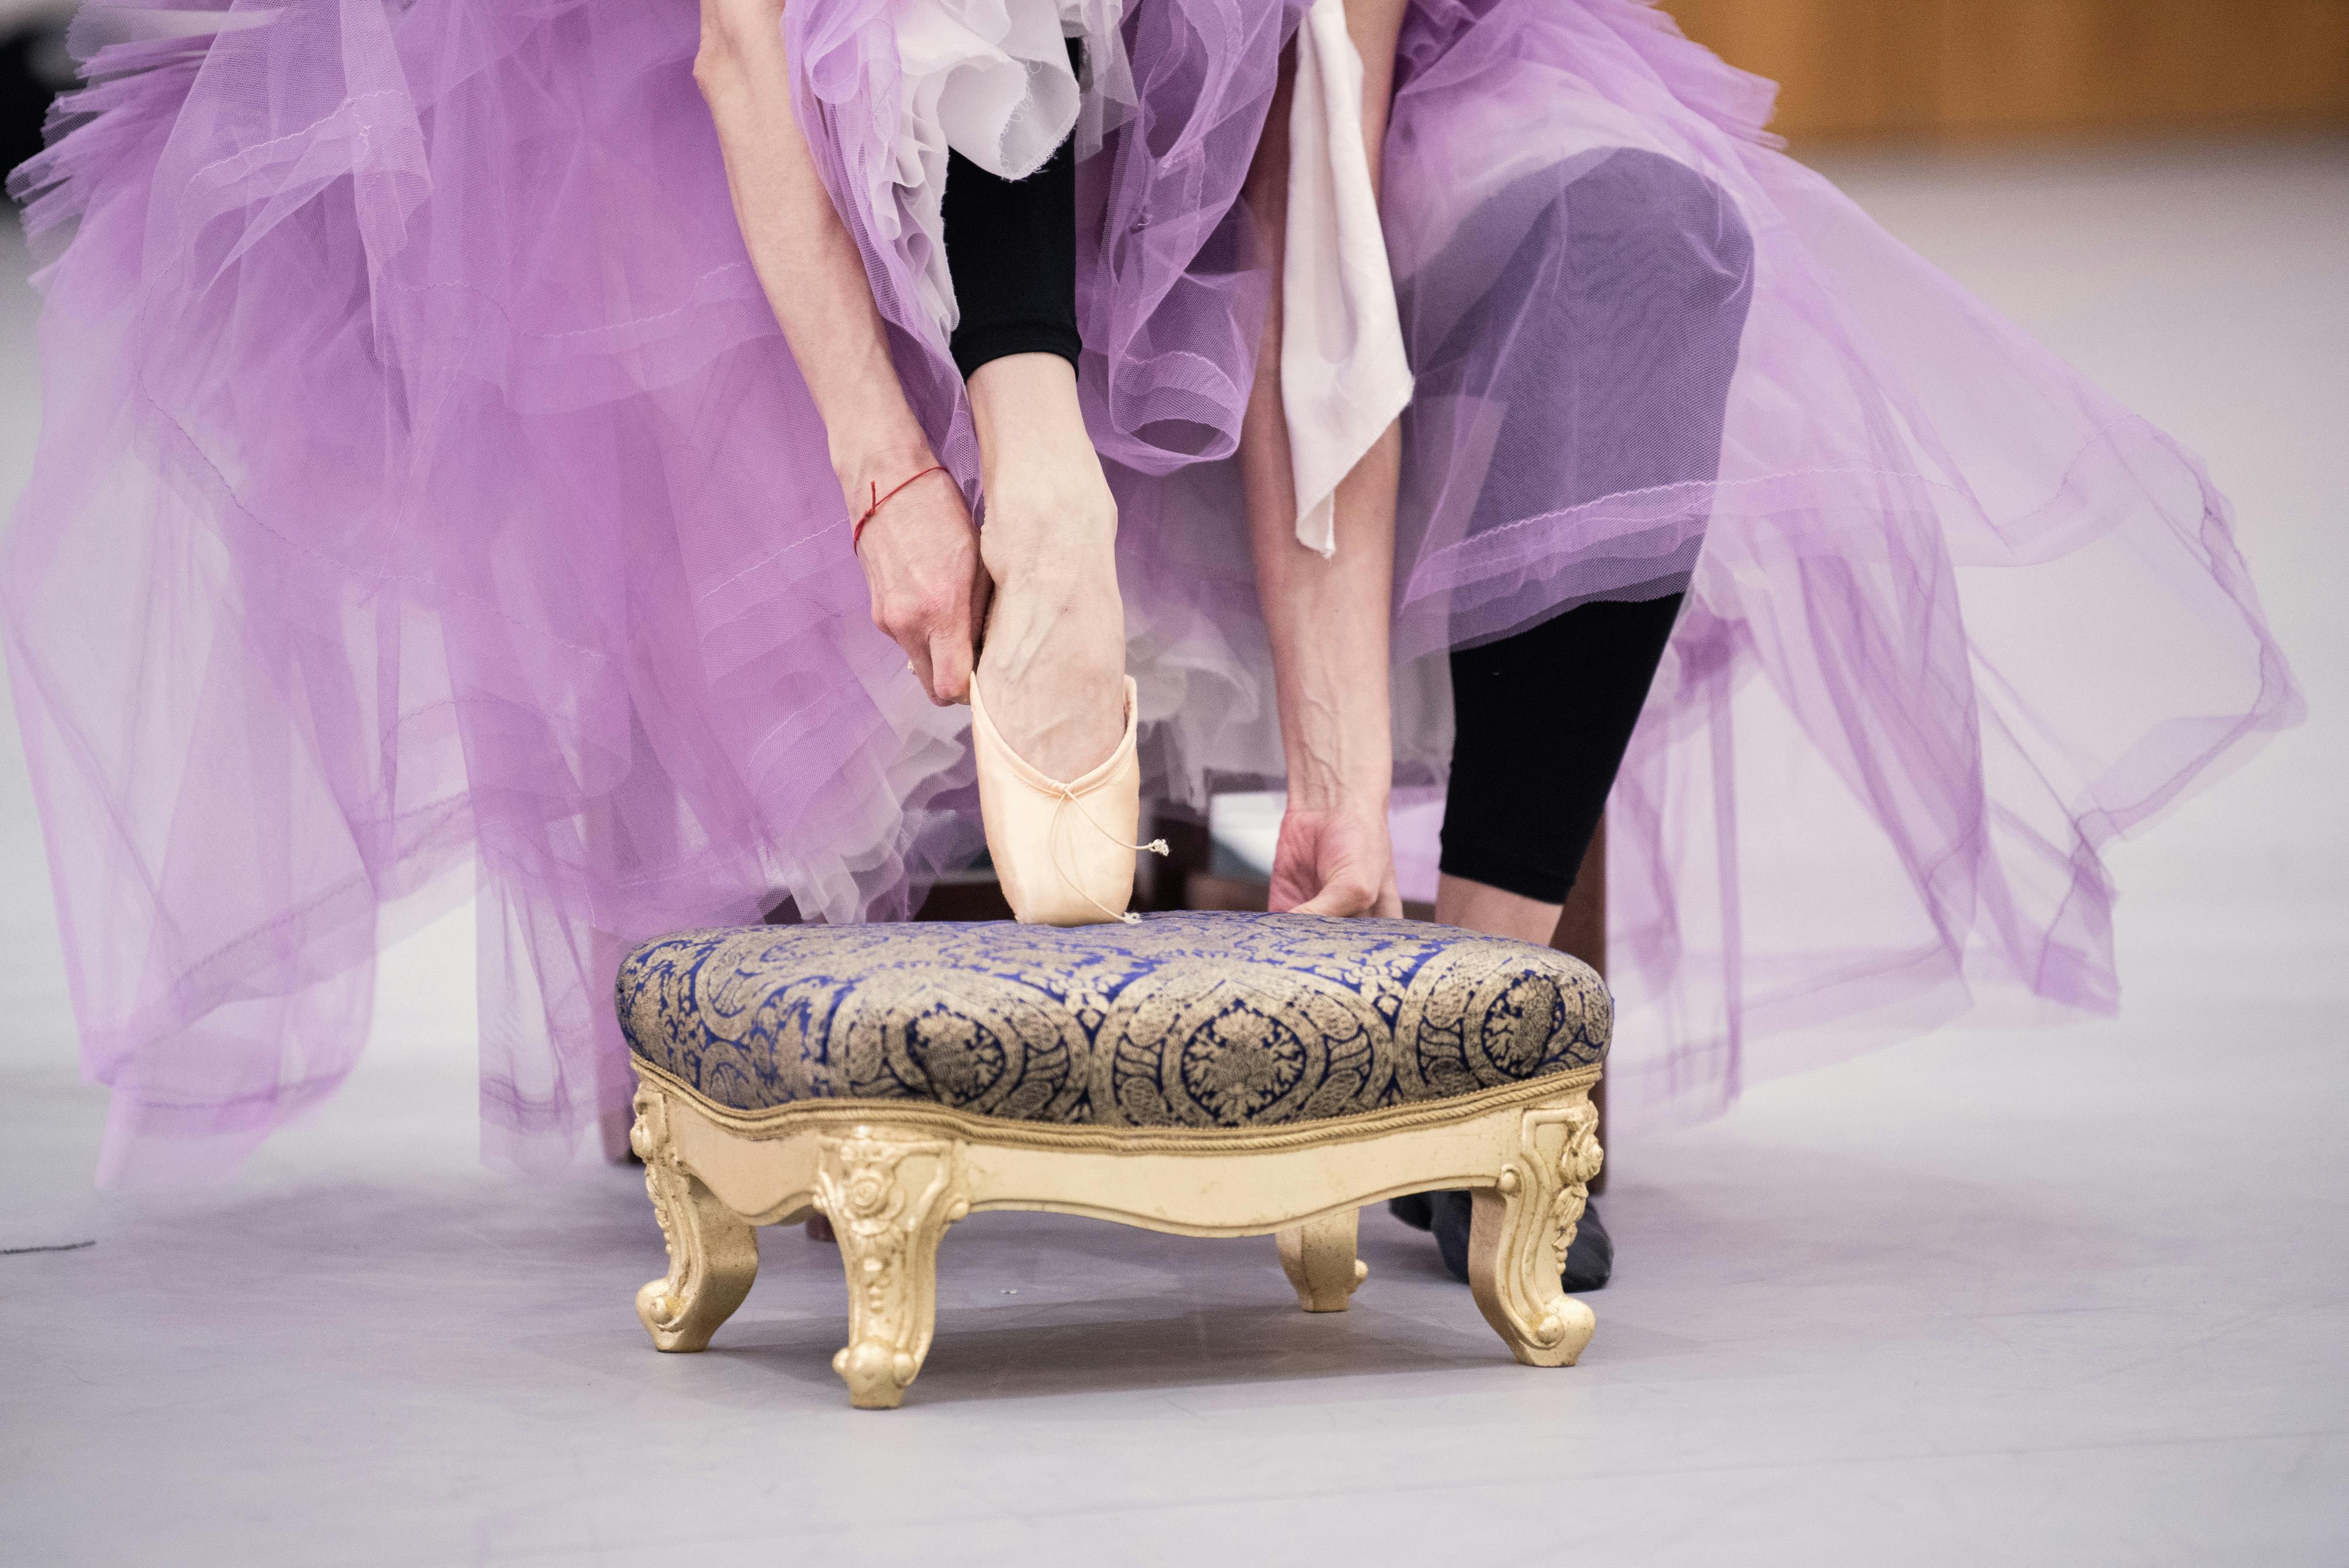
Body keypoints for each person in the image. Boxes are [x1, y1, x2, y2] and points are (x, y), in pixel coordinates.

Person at [5, 0, 2295, 1192]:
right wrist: (915, 477)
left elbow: (1320, 237)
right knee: (660, 222)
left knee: (1642, 228)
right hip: (763, 141)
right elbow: (734, 58)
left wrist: (1330, 760)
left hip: (1193, 187)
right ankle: (924, 714)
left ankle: (1484, 1034)